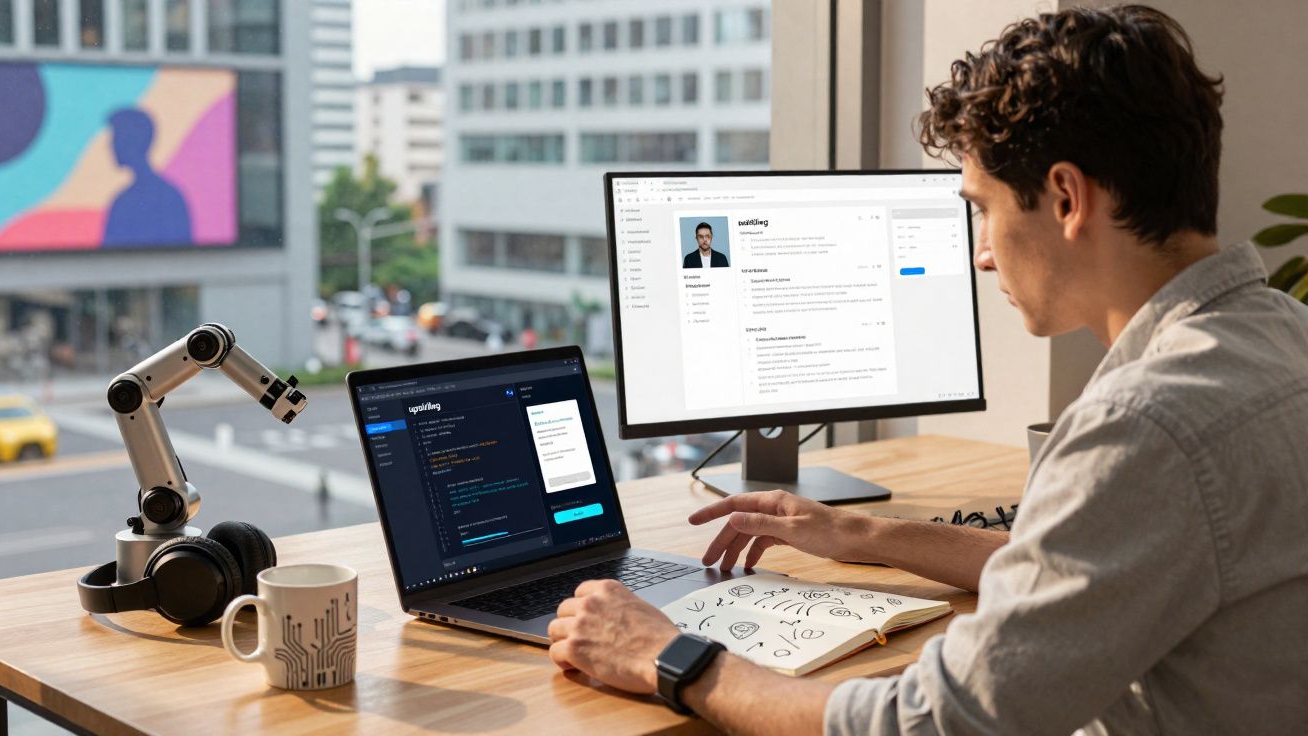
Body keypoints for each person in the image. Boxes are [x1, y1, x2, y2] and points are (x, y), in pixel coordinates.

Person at [546, 5, 1308, 734]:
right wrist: (860, 533)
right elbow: (1079, 575)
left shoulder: (1142, 427)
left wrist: (669, 657)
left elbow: (934, 723)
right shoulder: (1282, 336)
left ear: (1066, 198)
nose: (982, 253)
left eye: (984, 208)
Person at [103, 108, 192, 247]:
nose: (111, 145)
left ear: (132, 141)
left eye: (116, 137)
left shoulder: (167, 199)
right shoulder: (124, 201)